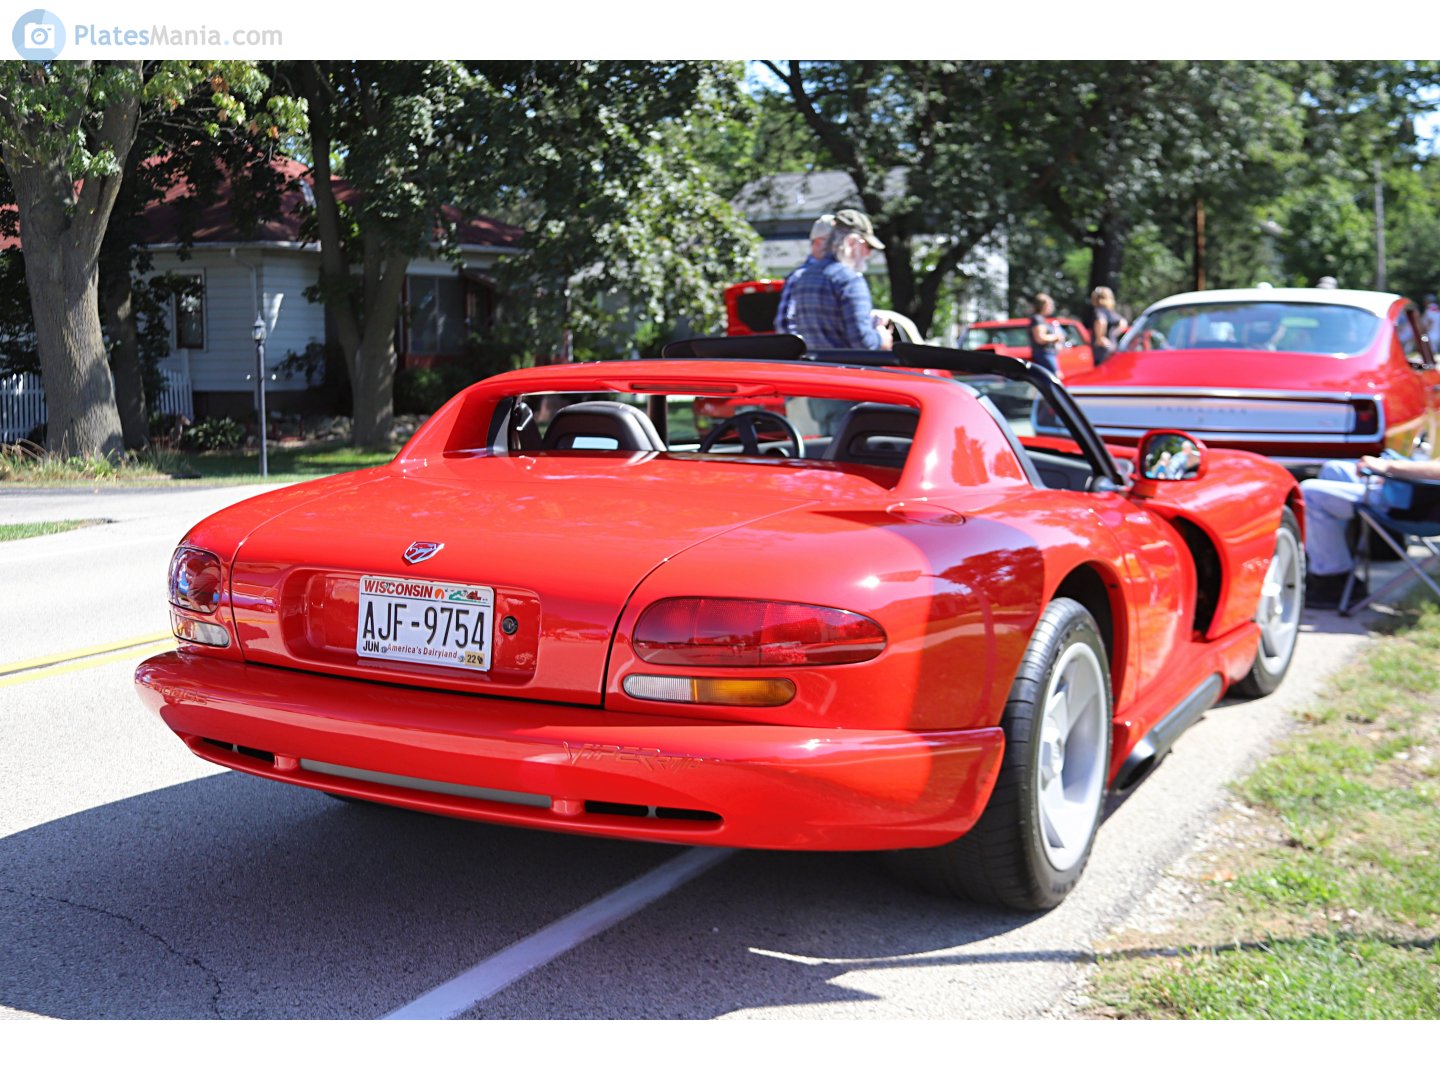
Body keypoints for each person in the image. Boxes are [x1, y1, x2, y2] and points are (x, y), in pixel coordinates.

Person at [1300, 454, 1440, 608]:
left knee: (1309, 493)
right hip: (1412, 489)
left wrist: (1389, 467)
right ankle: (1336, 566)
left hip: (1417, 507)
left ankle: (1333, 580)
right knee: (1333, 469)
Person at [787, 208, 893, 352]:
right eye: (867, 246)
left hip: (817, 369)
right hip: (849, 370)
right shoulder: (850, 280)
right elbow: (863, 342)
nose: (869, 253)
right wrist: (882, 336)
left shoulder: (804, 277)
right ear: (851, 242)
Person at [773, 214, 834, 335]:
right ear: (818, 242)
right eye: (834, 240)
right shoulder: (799, 276)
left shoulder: (838, 274)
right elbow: (784, 325)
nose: (842, 246)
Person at [1028, 293, 1065, 377]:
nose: (1052, 307)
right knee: (1055, 377)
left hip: (1047, 352)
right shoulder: (1037, 319)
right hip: (1044, 353)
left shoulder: (1041, 319)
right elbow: (1040, 338)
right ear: (1043, 306)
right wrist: (1056, 337)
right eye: (1050, 305)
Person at [1089, 286, 1128, 364]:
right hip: (1112, 347)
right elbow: (1123, 323)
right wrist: (1114, 334)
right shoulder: (1111, 312)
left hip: (1102, 349)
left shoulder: (1099, 310)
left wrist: (1099, 338)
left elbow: (1101, 321)